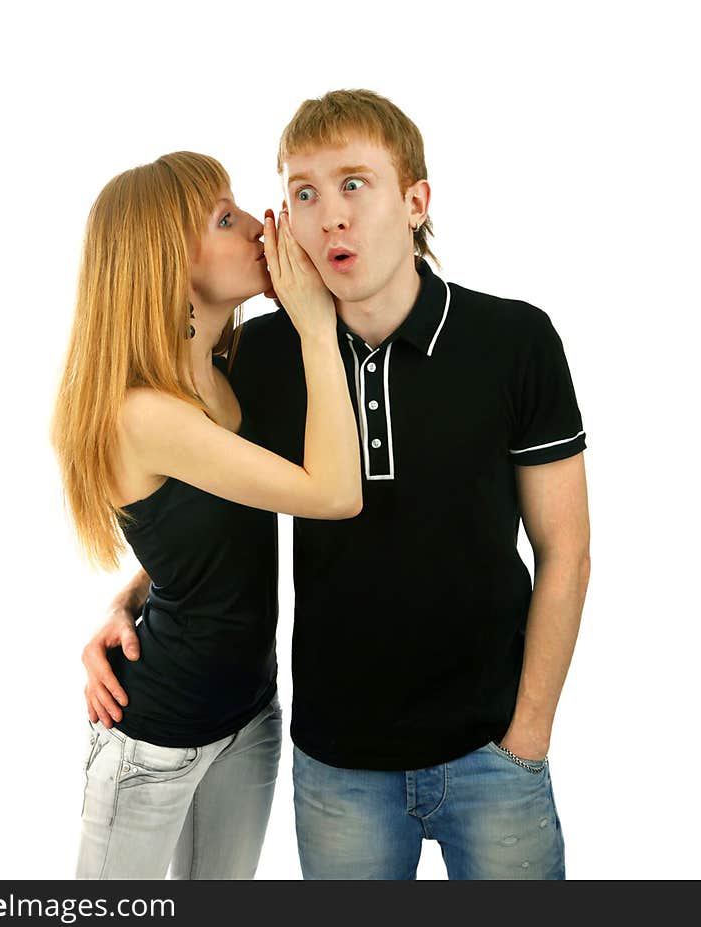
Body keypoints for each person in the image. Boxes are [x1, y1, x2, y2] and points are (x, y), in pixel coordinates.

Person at [83, 90, 591, 880]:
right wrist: (134, 600)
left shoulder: (514, 340)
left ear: (416, 201)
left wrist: (528, 735)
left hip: (494, 751)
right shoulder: (260, 356)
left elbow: (567, 552)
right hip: (336, 767)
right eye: (304, 193)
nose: (329, 217)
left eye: (355, 183)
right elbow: (209, 510)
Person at [51, 151, 362, 880]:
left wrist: (129, 596)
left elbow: (198, 542)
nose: (260, 227)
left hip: (249, 718)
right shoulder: (145, 415)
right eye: (226, 220)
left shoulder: (226, 376)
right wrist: (314, 326)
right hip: (156, 741)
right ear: (165, 265)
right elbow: (334, 494)